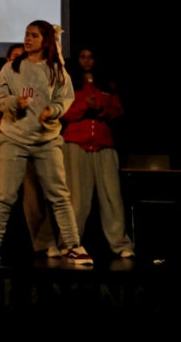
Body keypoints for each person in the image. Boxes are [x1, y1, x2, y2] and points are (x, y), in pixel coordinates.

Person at [0, 20, 92, 265]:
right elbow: (0, 98)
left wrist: (52, 110)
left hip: (46, 140)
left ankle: (74, 245)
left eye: (33, 35)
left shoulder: (56, 70)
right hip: (14, 137)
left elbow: (65, 99)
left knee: (59, 194)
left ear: (45, 40)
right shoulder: (11, 68)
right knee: (5, 194)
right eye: (26, 35)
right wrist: (14, 103)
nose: (27, 39)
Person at [0, 43, 58, 257]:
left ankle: (45, 242)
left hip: (30, 137)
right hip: (4, 136)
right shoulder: (4, 80)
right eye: (14, 57)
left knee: (35, 192)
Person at [62, 48, 135, 258]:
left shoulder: (107, 86)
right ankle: (70, 243)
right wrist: (84, 105)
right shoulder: (69, 84)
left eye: (90, 57)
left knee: (112, 197)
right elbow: (62, 112)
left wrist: (103, 111)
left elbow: (118, 111)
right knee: (77, 199)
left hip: (103, 143)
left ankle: (121, 244)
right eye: (82, 57)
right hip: (76, 143)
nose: (86, 61)